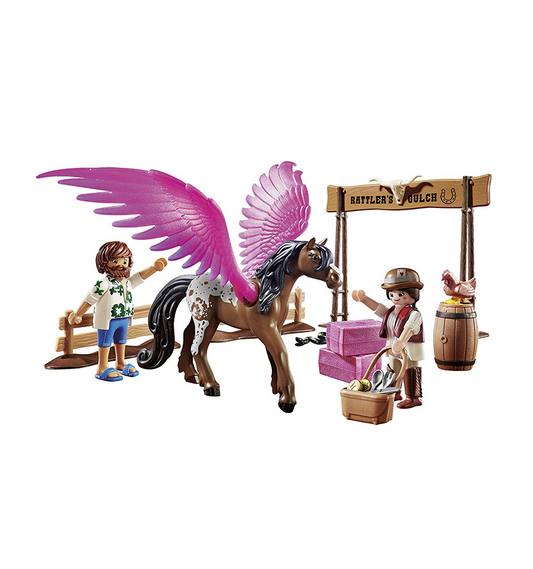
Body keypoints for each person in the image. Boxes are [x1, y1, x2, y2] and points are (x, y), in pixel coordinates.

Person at [68, 241, 167, 381]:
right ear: (104, 262)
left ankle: (120, 363)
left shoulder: (127, 282)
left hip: (124, 318)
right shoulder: (104, 283)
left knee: (121, 341)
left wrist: (154, 268)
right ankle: (102, 367)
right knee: (105, 342)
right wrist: (78, 313)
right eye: (115, 261)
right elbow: (90, 298)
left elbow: (140, 276)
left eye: (125, 261)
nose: (121, 264)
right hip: (107, 320)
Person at [352, 268, 424, 409]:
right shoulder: (391, 312)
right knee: (392, 370)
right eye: (392, 294)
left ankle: (413, 397)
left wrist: (401, 341)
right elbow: (379, 309)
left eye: (401, 294)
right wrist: (364, 299)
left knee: (410, 370)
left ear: (413, 294)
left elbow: (410, 327)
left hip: (408, 349)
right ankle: (393, 392)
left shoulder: (414, 313)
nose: (395, 297)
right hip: (392, 347)